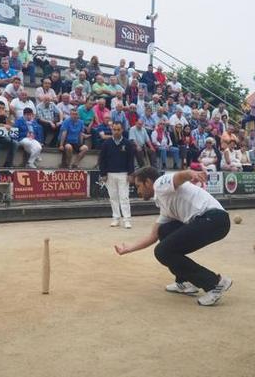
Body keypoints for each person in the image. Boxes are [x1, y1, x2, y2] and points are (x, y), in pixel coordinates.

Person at [114, 167, 233, 306]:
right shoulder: (165, 203)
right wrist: (129, 249)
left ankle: (215, 283)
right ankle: (185, 281)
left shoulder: (159, 184)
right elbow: (154, 235)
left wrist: (191, 174)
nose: (138, 191)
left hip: (213, 219)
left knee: (162, 251)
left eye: (138, 186)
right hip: (210, 221)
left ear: (147, 182)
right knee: (164, 231)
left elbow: (178, 177)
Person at [99, 121, 135, 229]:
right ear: (112, 130)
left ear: (122, 130)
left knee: (124, 197)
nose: (116, 131)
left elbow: (131, 160)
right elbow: (102, 160)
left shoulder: (128, 143)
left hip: (124, 174)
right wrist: (103, 173)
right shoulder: (106, 143)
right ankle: (116, 218)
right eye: (114, 129)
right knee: (113, 197)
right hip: (110, 174)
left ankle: (127, 219)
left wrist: (130, 173)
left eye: (118, 129)